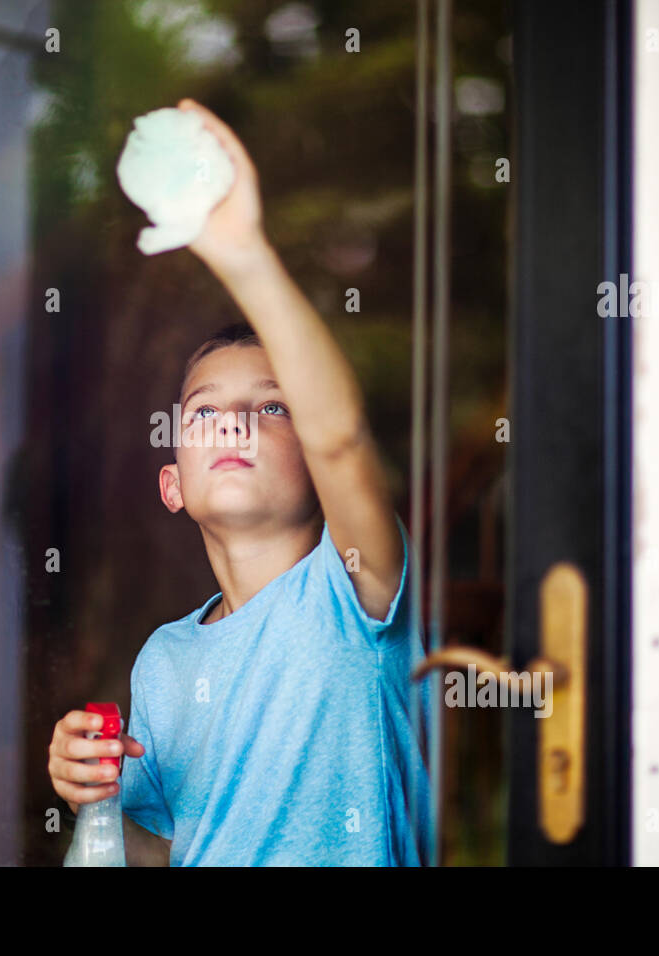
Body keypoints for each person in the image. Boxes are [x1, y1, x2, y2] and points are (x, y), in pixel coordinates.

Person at [47, 98, 428, 866]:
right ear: (172, 486)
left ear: (319, 470)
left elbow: (342, 435)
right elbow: (169, 848)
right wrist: (87, 799)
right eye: (205, 411)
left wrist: (243, 251)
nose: (232, 423)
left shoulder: (353, 590)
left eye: (272, 406)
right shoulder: (164, 659)